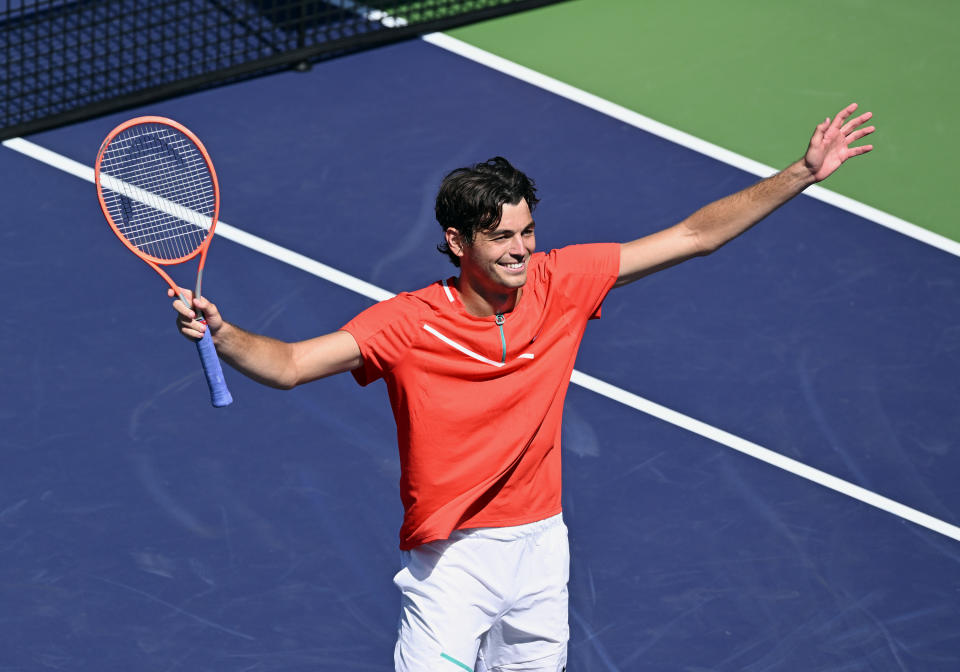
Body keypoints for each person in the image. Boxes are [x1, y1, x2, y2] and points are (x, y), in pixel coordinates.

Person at [171, 103, 874, 671]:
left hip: (542, 550)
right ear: (457, 242)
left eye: (528, 231)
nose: (520, 249)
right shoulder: (408, 324)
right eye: (502, 237)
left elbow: (694, 236)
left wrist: (801, 173)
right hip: (452, 565)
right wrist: (224, 333)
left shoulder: (560, 282)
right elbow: (291, 365)